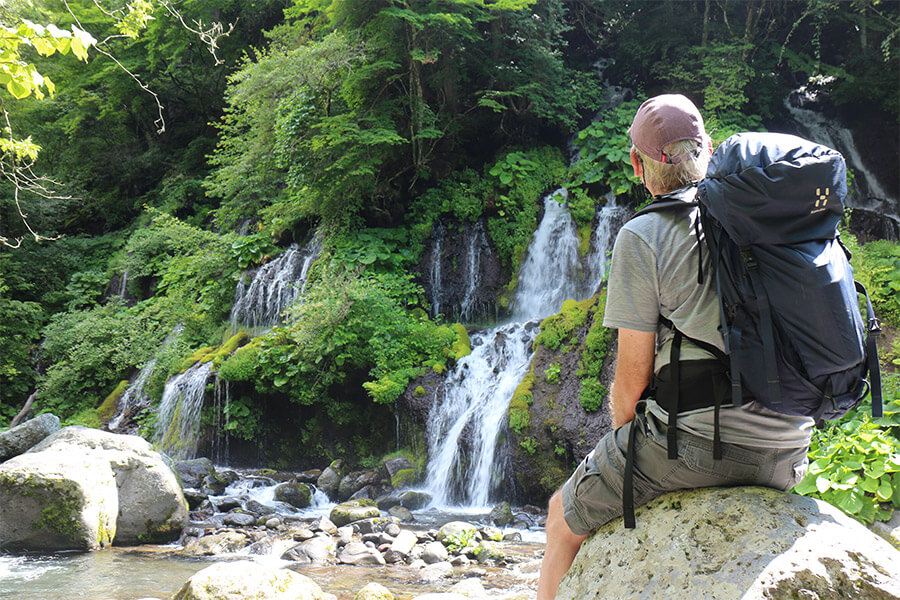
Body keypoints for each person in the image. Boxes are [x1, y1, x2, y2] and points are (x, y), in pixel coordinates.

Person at [535, 94, 813, 599]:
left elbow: (632, 380)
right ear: (707, 147)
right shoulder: (775, 221)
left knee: (560, 517)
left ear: (639, 166)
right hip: (790, 448)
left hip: (699, 448)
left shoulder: (644, 234)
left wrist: (622, 447)